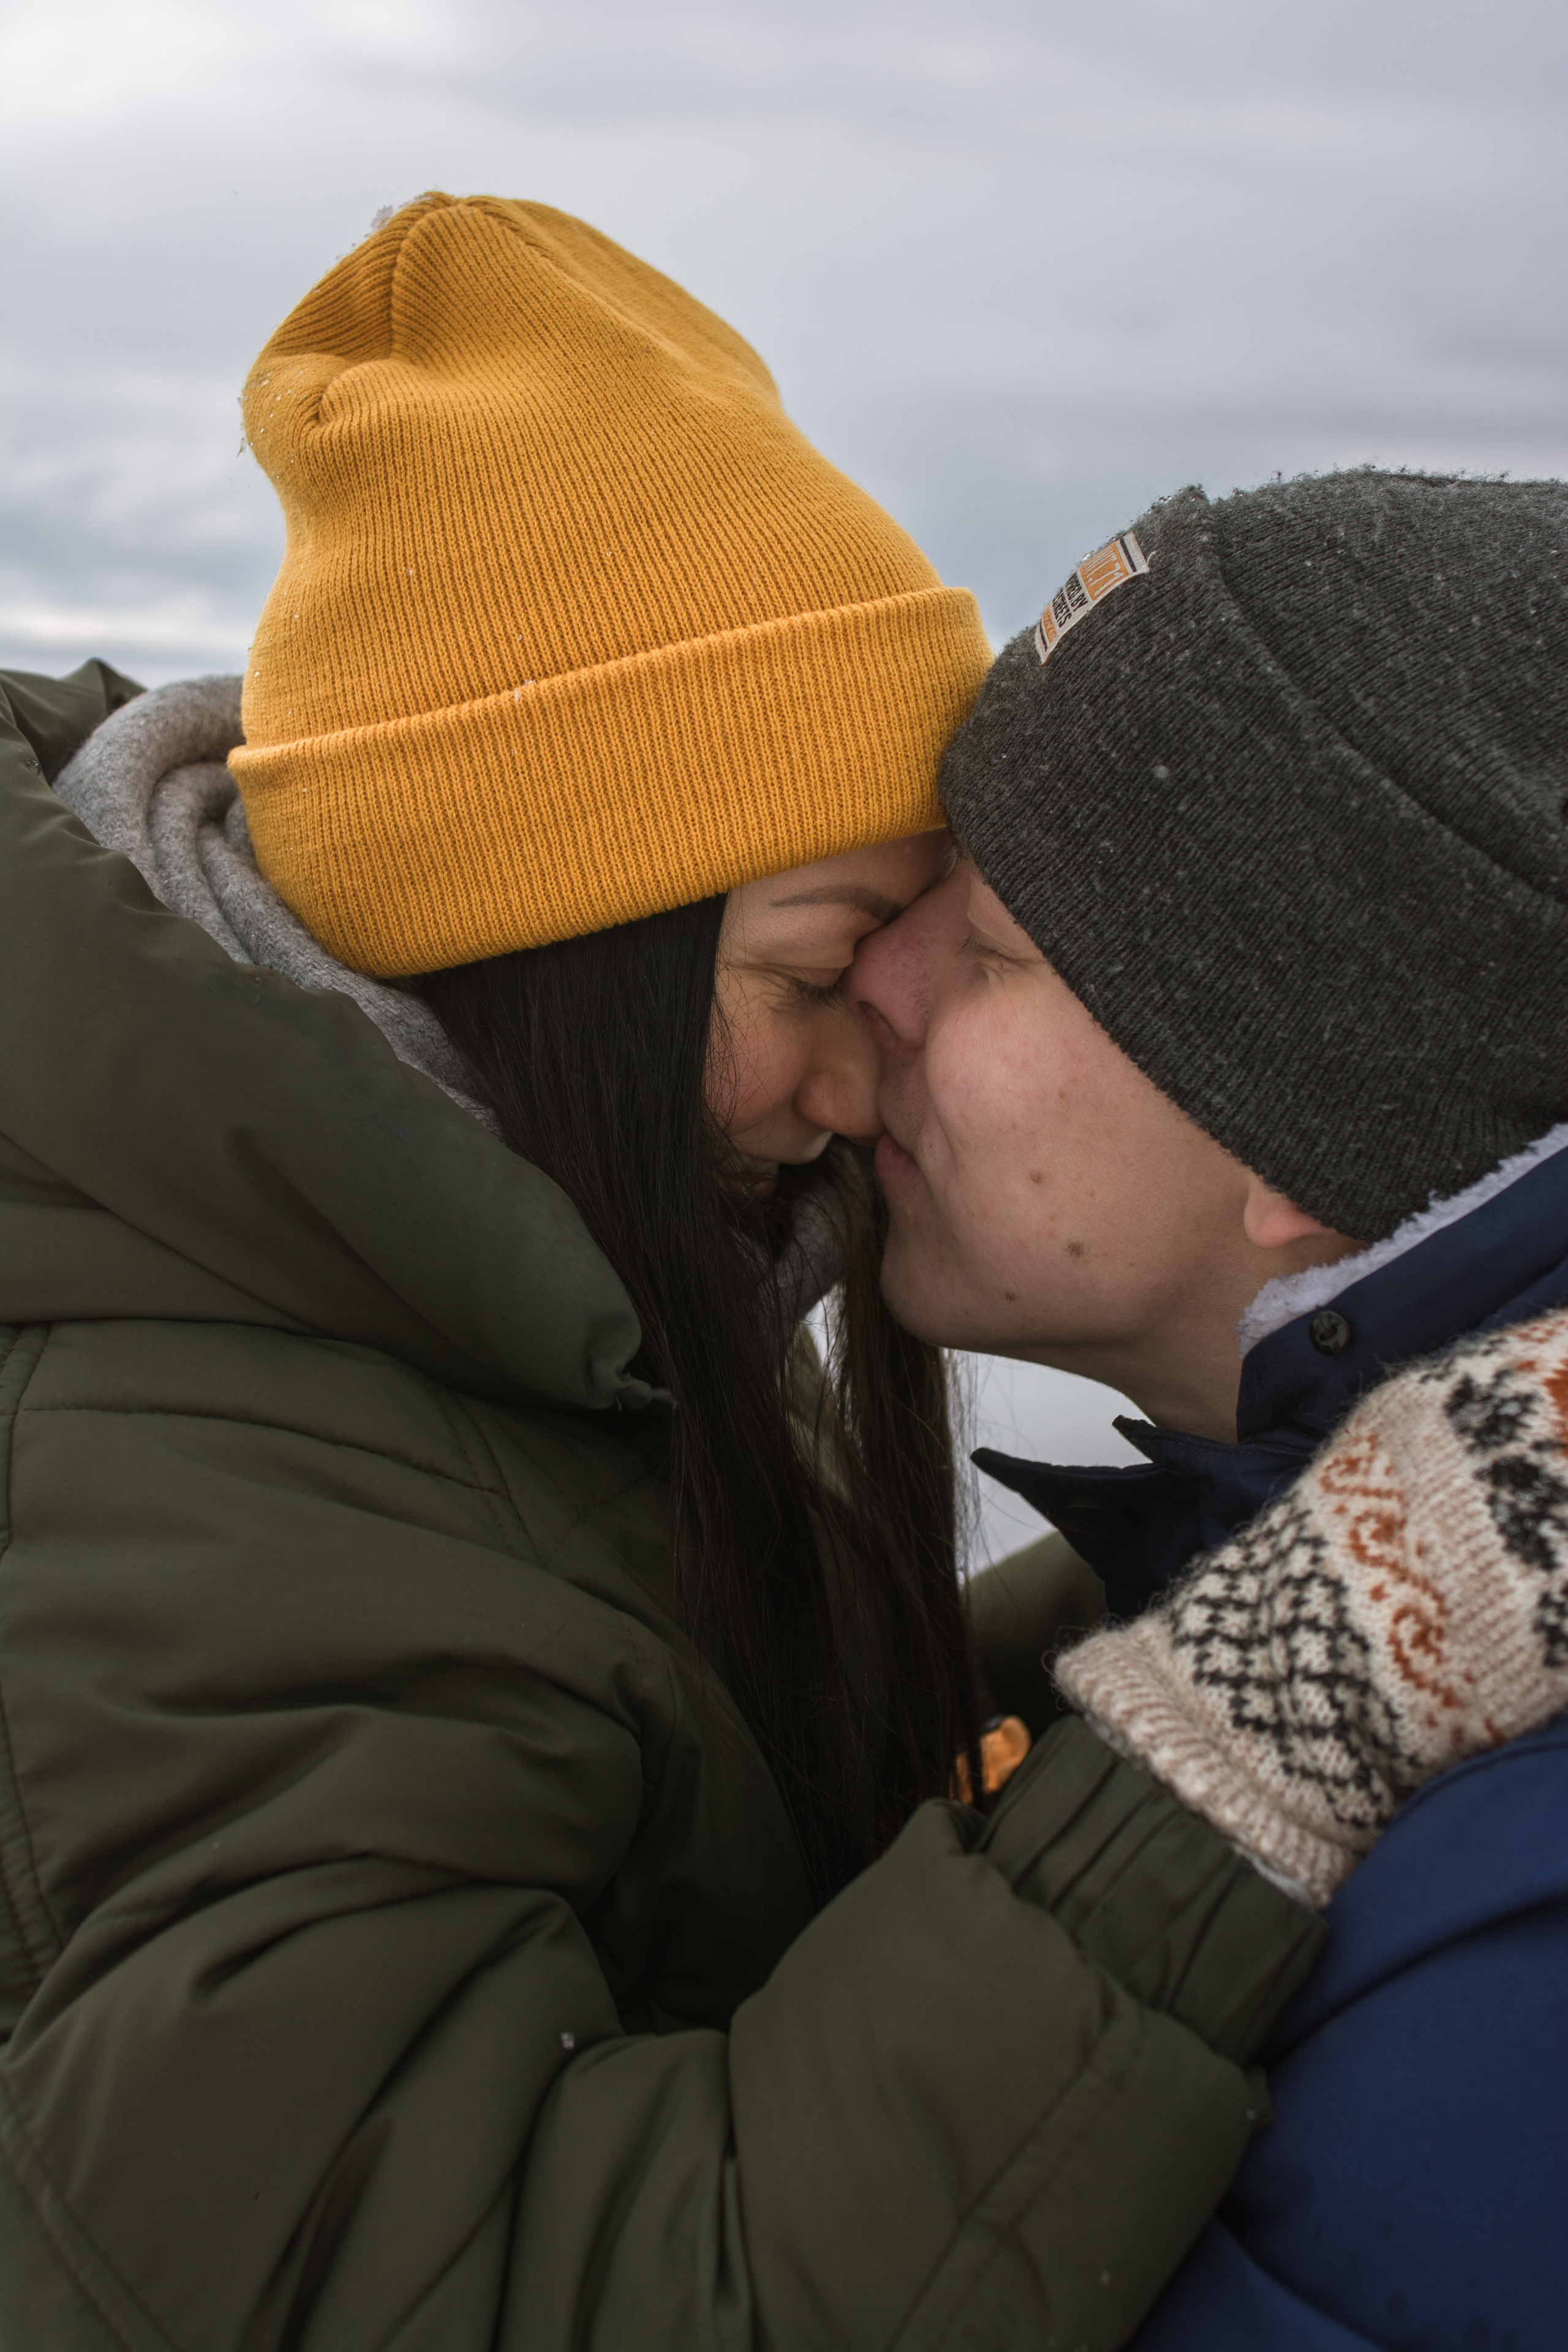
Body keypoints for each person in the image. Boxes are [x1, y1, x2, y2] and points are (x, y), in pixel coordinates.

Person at [0, 195, 1541, 2348]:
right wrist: (1260, 1710)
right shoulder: (197, 1492)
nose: (892, 1026)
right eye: (833, 956)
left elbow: (706, 1784)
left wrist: (1219, 1588)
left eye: (961, 943)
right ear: (570, 951)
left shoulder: (519, 1260)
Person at [852, 466, 1568, 2351]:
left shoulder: (1505, 1974)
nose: (879, 975)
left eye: (993, 950)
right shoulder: (1281, 1564)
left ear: (1305, 1125)